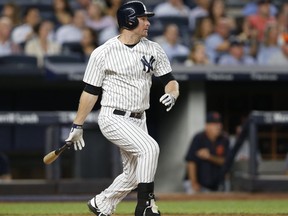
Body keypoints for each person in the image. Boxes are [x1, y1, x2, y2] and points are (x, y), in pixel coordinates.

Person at [64, 1, 179, 216]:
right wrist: (77, 124)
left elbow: (170, 80)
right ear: (129, 20)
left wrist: (173, 93)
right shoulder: (103, 52)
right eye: (143, 18)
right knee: (150, 149)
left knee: (135, 173)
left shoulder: (154, 49)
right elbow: (90, 91)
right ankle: (145, 205)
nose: (147, 23)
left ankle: (102, 203)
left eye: (147, 18)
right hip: (113, 116)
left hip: (139, 118)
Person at [184, 111, 230, 194]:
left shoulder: (224, 139)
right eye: (214, 124)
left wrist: (209, 157)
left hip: (216, 185)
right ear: (207, 126)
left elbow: (226, 161)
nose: (218, 126)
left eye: (219, 123)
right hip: (198, 183)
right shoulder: (199, 138)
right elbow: (191, 162)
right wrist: (194, 183)